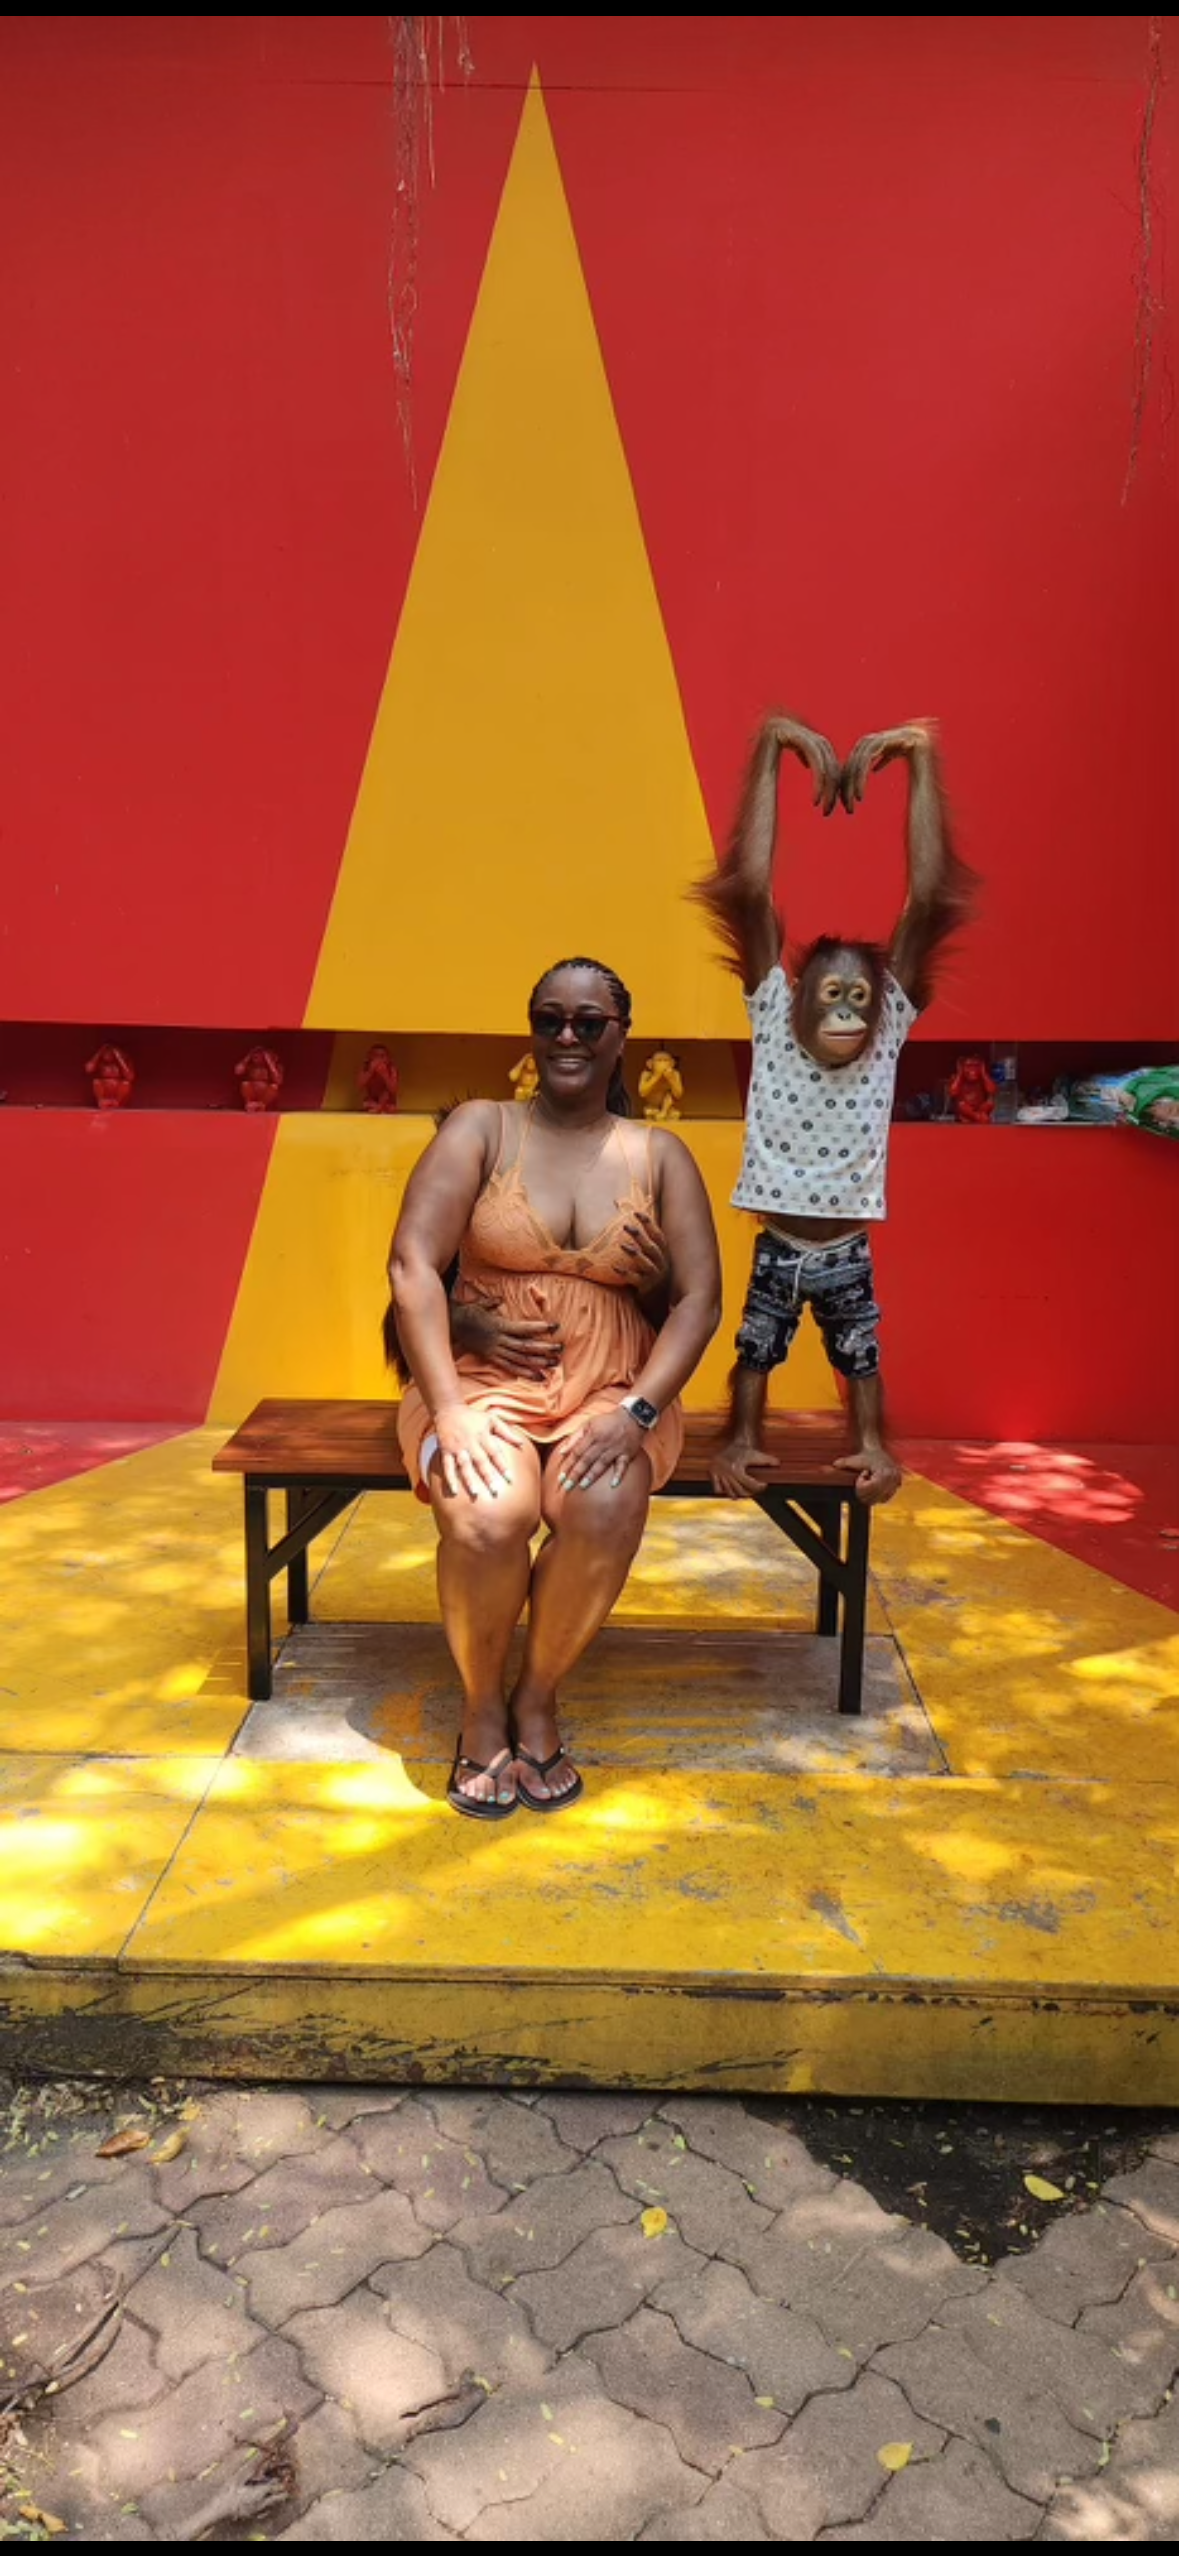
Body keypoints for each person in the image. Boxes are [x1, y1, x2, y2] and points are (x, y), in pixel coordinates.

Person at [389, 958, 722, 1818]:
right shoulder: (482, 1129)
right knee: (484, 1513)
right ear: (532, 1032)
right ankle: (479, 1705)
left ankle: (536, 1694)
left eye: (588, 1022)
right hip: (480, 1387)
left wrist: (640, 1412)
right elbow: (412, 1266)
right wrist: (451, 1413)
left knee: (606, 1507)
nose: (567, 1037)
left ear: (622, 1038)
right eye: (550, 1020)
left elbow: (698, 1299)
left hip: (613, 1391)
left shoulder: (659, 1155)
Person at [692, 711, 975, 1504]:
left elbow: (928, 902)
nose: (848, 1014)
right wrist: (770, 746)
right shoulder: (771, 1016)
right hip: (779, 1238)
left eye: (857, 998)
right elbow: (745, 889)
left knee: (860, 1352)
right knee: (757, 1346)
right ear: (798, 1003)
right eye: (832, 998)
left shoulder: (888, 1028)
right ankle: (743, 1438)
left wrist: (921, 757)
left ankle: (873, 1446)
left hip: (847, 1242)